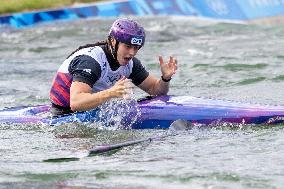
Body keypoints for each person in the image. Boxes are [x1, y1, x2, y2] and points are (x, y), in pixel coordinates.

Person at [50, 18, 177, 116]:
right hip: (64, 115)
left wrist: (165, 79)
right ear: (112, 42)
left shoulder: (131, 64)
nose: (132, 53)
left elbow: (155, 90)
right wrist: (110, 93)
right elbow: (76, 103)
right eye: (127, 46)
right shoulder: (90, 61)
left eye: (136, 48)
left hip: (90, 111)